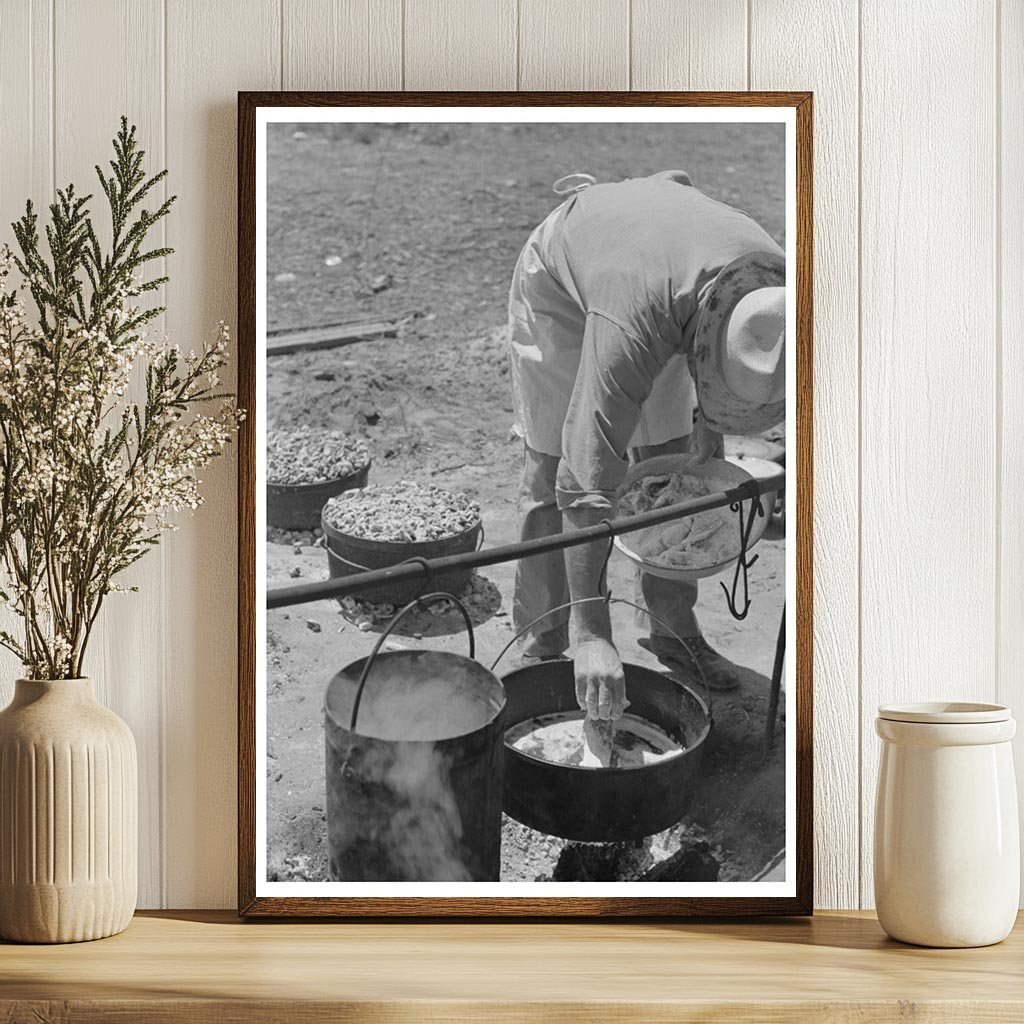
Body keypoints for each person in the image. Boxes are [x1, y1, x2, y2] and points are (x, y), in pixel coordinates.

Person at [508, 170, 785, 721]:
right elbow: (584, 482)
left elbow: (750, 348)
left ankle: (671, 627)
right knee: (556, 465)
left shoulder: (777, 292)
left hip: (666, 281)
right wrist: (594, 633)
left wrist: (714, 415)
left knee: (674, 464)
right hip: (570, 284)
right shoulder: (633, 321)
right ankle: (547, 639)